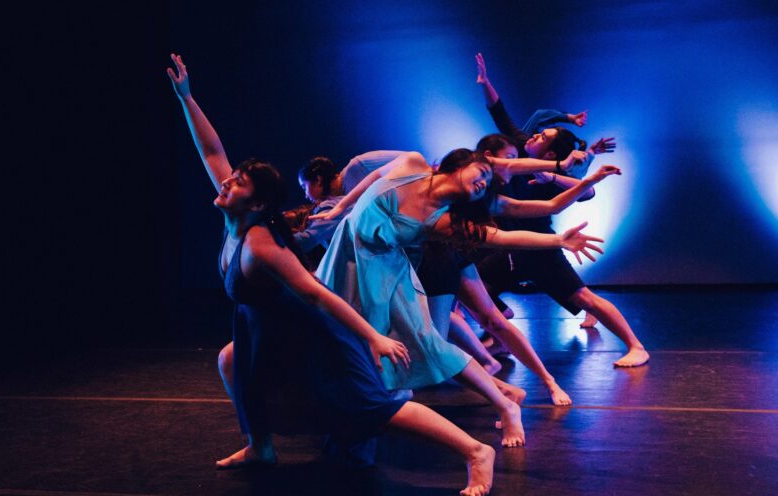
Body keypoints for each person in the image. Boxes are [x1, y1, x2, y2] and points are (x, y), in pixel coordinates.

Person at [168, 53, 497, 496]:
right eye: (230, 181)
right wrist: (187, 98)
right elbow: (212, 152)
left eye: (237, 184)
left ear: (257, 203)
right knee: (232, 361)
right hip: (264, 328)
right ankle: (260, 446)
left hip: (312, 331)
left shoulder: (261, 244)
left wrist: (374, 338)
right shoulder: (236, 219)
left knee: (373, 407)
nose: (226, 184)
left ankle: (475, 451)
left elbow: (319, 296)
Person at [312, 148, 604, 446]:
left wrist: (558, 240)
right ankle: (355, 424)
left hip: (383, 277)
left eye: (487, 184)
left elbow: (502, 237)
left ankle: (504, 404)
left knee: (427, 343)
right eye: (483, 174)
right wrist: (340, 208)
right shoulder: (412, 163)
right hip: (345, 255)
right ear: (461, 162)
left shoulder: (443, 221)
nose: (483, 183)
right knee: (335, 335)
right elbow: (375, 175)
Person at [474, 52, 649, 367]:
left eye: (543, 137)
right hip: (508, 248)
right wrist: (486, 83)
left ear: (551, 152)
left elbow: (588, 191)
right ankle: (498, 338)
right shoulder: (521, 150)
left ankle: (636, 346)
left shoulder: (551, 173)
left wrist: (552, 176)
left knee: (584, 298)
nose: (535, 135)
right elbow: (500, 113)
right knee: (467, 286)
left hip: (541, 249)